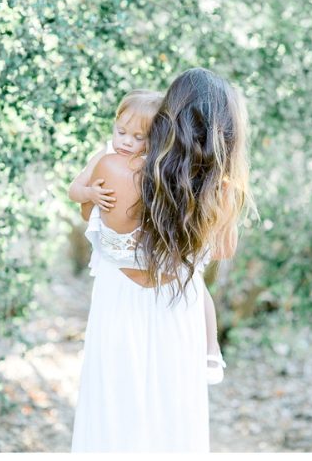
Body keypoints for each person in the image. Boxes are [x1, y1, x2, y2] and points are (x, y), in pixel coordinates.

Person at [71, 68, 252, 452]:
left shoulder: (113, 168)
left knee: (112, 426)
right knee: (173, 430)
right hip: (179, 311)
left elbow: (89, 214)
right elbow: (222, 251)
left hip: (117, 308)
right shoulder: (215, 189)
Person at [68, 88, 227, 385]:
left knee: (196, 278)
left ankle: (211, 348)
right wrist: (90, 193)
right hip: (128, 263)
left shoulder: (158, 167)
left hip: (153, 258)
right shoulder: (104, 155)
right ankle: (210, 349)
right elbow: (74, 190)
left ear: (155, 138)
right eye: (121, 131)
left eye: (138, 137)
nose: (126, 141)